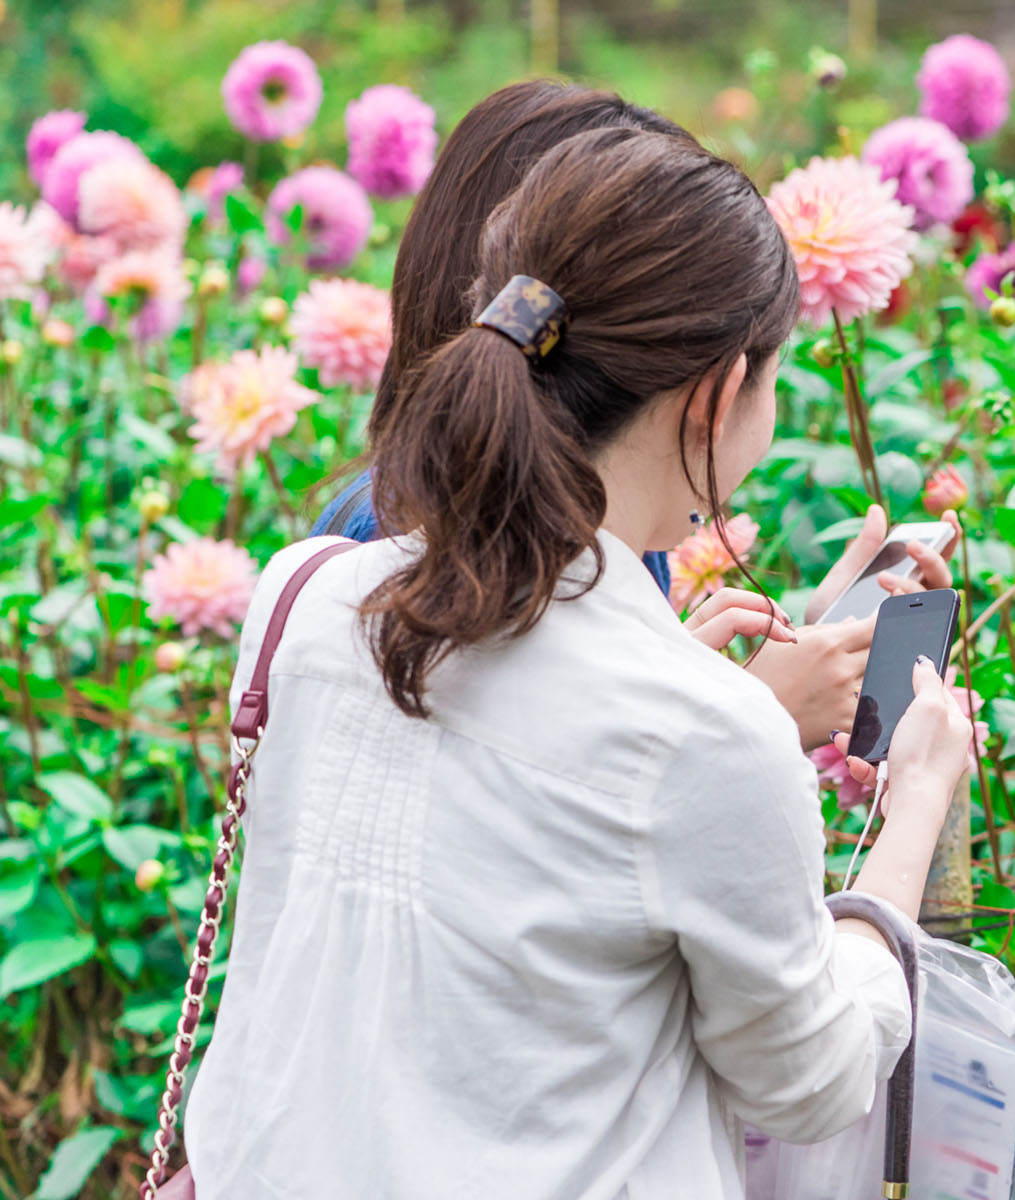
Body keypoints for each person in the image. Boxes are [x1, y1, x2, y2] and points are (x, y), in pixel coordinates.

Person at [186, 126, 972, 1196]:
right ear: (718, 391)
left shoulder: (302, 593)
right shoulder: (700, 733)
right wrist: (918, 801)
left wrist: (699, 689)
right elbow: (813, 1082)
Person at [313, 80, 955, 748]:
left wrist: (697, 679)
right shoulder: (393, 535)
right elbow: (500, 814)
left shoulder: (609, 531)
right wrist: (741, 722)